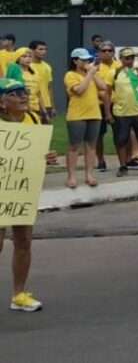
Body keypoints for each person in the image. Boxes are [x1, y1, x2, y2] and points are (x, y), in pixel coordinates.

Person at [0, 78, 55, 312]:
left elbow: (36, 153)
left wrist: (47, 157)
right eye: (15, 93)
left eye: (24, 91)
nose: (23, 96)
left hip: (22, 190)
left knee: (23, 241)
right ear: (2, 102)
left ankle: (19, 294)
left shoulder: (33, 119)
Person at [64, 48, 107, 189]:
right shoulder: (70, 75)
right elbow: (79, 90)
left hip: (94, 113)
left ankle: (89, 174)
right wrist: (89, 74)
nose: (86, 62)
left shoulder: (91, 74)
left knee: (91, 145)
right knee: (75, 146)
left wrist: (93, 74)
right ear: (75, 61)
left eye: (88, 60)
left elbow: (103, 87)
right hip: (77, 115)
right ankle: (71, 176)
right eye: (83, 60)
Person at [111, 47, 138, 178]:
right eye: (127, 58)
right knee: (122, 140)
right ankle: (123, 166)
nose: (129, 60)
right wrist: (108, 112)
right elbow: (107, 91)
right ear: (121, 59)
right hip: (121, 112)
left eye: (132, 58)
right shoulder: (115, 72)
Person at [94, 42, 118, 173]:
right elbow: (95, 86)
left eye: (110, 50)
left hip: (117, 103)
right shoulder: (95, 67)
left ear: (114, 52)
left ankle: (124, 161)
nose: (107, 53)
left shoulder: (119, 65)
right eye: (104, 51)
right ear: (99, 53)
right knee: (99, 134)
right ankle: (101, 160)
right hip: (100, 104)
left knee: (120, 133)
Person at [10, 48, 43, 123]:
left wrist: (44, 111)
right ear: (17, 58)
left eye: (30, 56)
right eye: (24, 56)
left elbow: (38, 94)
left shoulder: (35, 73)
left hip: (35, 109)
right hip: (20, 109)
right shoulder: (14, 73)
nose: (28, 59)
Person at [28, 41, 53, 121]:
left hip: (46, 104)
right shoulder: (27, 66)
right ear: (32, 50)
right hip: (32, 103)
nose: (44, 52)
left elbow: (49, 87)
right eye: (40, 49)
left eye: (45, 49)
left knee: (45, 132)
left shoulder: (47, 67)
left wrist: (52, 106)